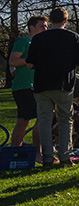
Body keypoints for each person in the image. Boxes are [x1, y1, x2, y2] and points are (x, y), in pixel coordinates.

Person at [24, 8, 79, 167]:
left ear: (50, 20)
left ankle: (47, 158)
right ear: (65, 21)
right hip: (64, 84)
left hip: (42, 84)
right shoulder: (73, 37)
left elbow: (30, 65)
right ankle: (65, 156)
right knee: (65, 119)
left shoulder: (38, 39)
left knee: (44, 121)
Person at [9, 14, 48, 149]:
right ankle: (32, 151)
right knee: (29, 120)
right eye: (42, 26)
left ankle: (17, 150)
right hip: (23, 86)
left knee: (26, 120)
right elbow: (13, 61)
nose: (45, 29)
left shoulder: (41, 44)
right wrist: (31, 60)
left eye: (46, 26)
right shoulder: (24, 42)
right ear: (31, 27)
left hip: (36, 86)